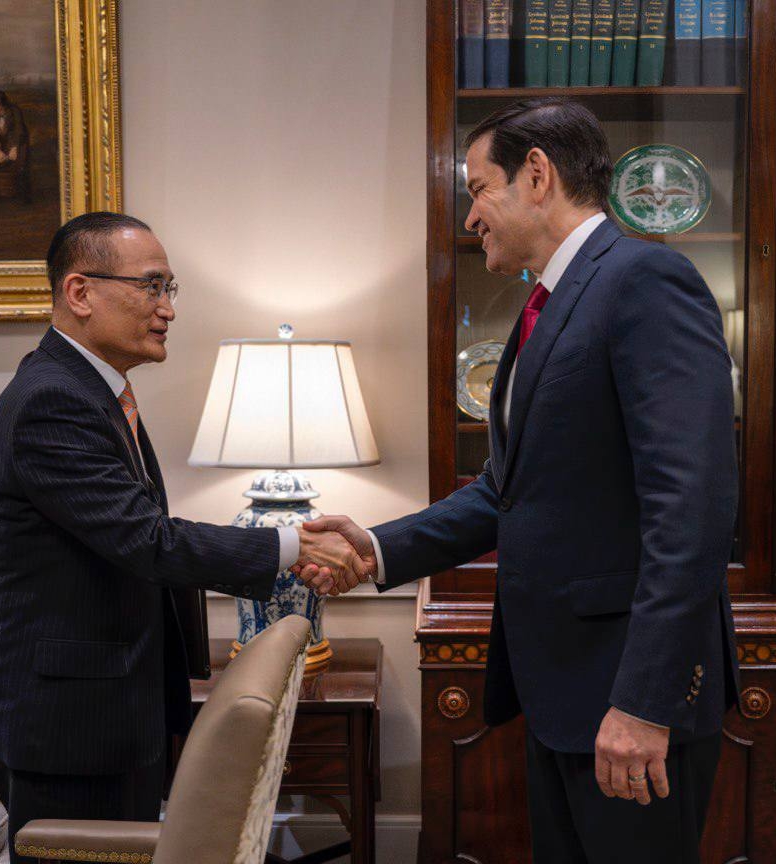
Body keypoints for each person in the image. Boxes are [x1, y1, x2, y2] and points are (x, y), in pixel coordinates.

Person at [299, 97, 739, 863]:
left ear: (537, 175)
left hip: (625, 697)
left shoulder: (644, 282)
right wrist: (375, 546)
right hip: (564, 695)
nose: (472, 216)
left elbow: (691, 511)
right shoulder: (554, 300)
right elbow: (509, 490)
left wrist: (643, 702)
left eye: (478, 188)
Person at [0, 212, 373, 863]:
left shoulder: (98, 391)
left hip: (106, 707)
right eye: (151, 287)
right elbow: (149, 543)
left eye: (169, 288)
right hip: (67, 725)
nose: (168, 309)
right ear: (79, 292)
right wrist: (296, 545)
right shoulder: (53, 400)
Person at [0, 89, 29, 203]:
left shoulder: (14, 111)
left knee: (20, 166)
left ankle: (23, 197)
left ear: (1, 105)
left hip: (20, 142)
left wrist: (14, 148)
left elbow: (19, 131)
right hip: (3, 144)